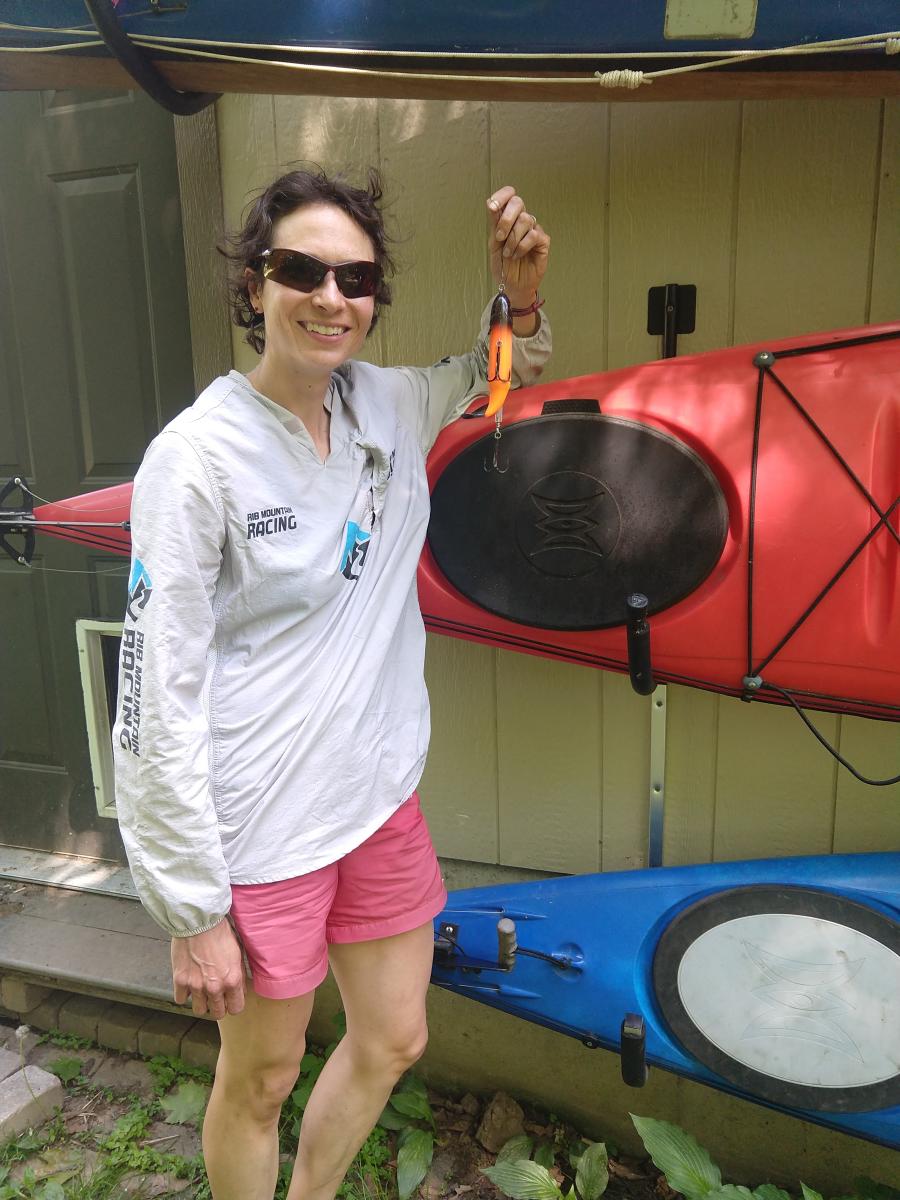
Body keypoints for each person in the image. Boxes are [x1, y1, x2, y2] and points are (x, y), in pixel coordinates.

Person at [112, 166, 551, 1200]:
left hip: (375, 804)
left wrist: (521, 296)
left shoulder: (390, 404)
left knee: (395, 1036)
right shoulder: (196, 460)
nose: (329, 297)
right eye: (300, 269)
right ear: (255, 286)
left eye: (354, 279)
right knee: (260, 1076)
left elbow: (504, 370)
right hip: (258, 832)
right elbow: (151, 699)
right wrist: (191, 908)